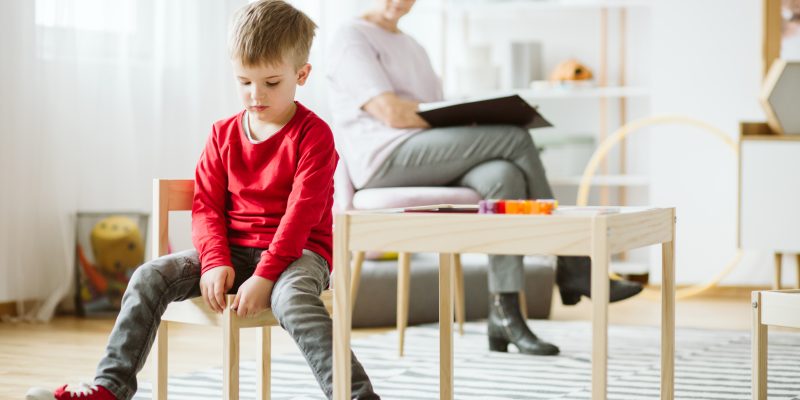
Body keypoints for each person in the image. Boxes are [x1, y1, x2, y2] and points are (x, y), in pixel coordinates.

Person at [26, 1, 380, 399]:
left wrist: (265, 274)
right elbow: (206, 206)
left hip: (296, 256)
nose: (255, 95)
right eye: (244, 81)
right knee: (147, 276)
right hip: (230, 252)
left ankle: (357, 395)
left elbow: (302, 213)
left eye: (271, 83)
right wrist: (215, 260)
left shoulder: (314, 135)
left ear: (301, 74)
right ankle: (109, 387)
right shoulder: (222, 134)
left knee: (294, 300)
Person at [326, 0, 643, 356]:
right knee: (514, 137)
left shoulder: (413, 45)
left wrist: (469, 119)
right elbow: (392, 113)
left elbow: (436, 110)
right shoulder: (351, 37)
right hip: (383, 158)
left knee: (504, 175)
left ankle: (504, 315)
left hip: (426, 155)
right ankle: (572, 263)